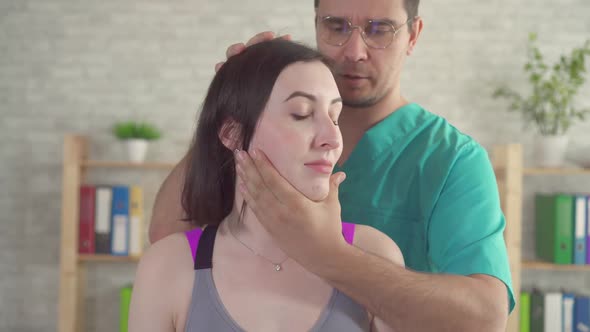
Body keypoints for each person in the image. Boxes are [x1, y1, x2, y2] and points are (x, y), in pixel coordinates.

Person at [149, 0, 515, 331]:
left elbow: (484, 317)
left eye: (380, 29)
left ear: (413, 35)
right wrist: (235, 103)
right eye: (336, 26)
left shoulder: (450, 160)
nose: (354, 51)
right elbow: (169, 237)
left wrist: (324, 252)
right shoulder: (256, 136)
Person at [129, 39, 402, 332]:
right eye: (301, 113)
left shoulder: (374, 255)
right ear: (232, 134)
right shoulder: (167, 268)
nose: (333, 139)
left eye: (335, 117)